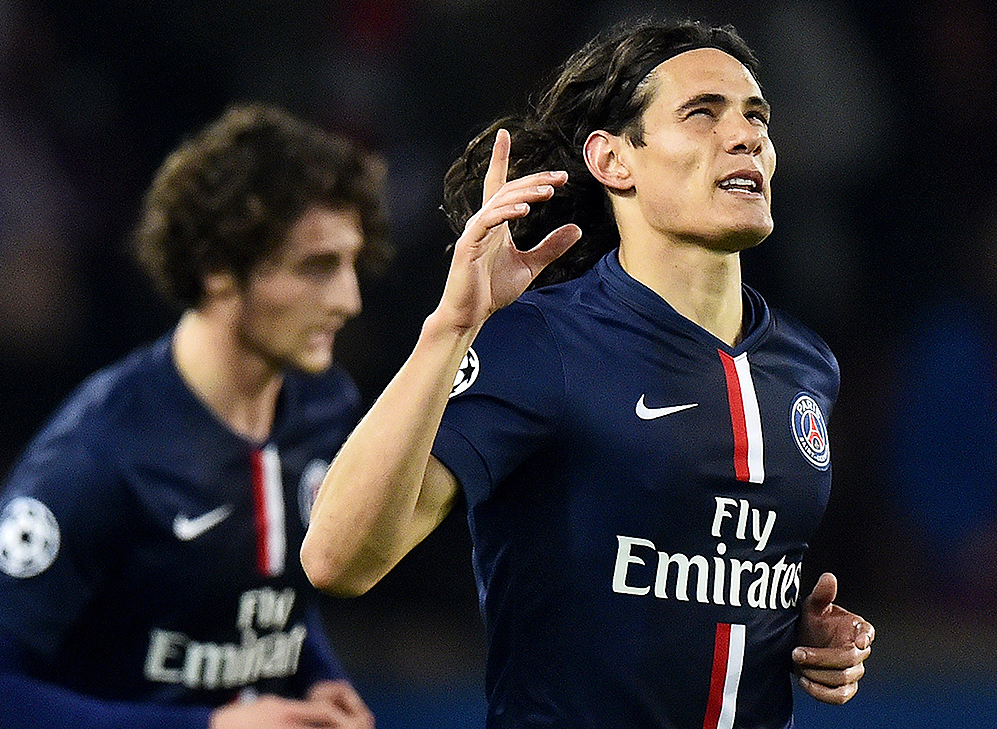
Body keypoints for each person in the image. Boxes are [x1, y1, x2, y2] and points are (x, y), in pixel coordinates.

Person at [301, 18, 874, 729]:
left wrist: (796, 635)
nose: (746, 134)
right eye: (703, 113)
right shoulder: (544, 344)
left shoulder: (806, 364)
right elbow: (337, 558)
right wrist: (449, 329)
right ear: (612, 159)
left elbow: (697, 582)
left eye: (757, 116)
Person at [0, 104, 386, 729]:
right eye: (316, 267)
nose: (348, 300)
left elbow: (267, 599)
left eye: (352, 263)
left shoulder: (325, 408)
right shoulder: (101, 452)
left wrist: (317, 678)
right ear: (217, 268)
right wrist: (207, 728)